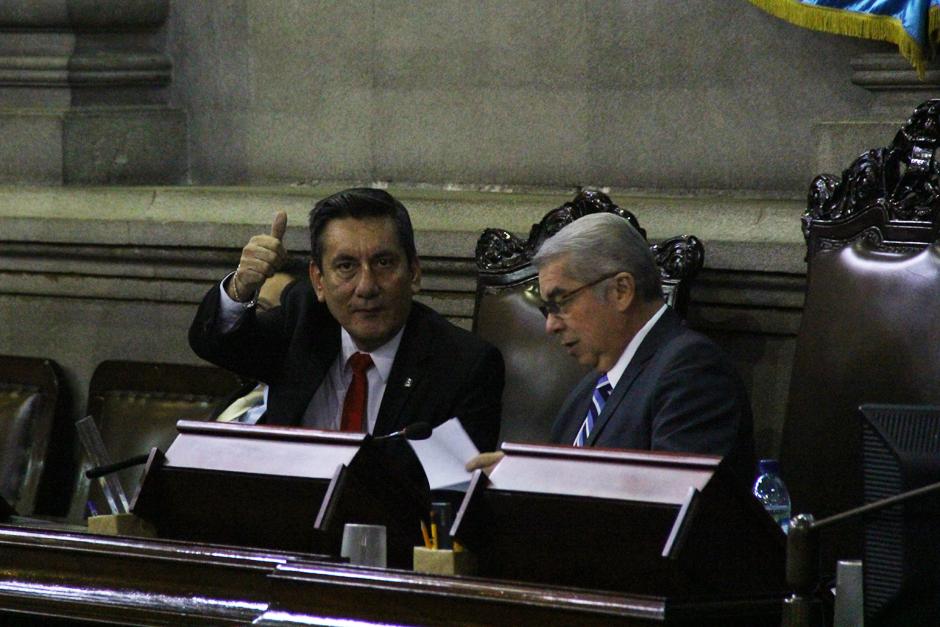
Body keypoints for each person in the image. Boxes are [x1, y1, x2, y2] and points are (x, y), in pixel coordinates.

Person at [190, 188, 504, 451]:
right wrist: (241, 286)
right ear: (318, 281)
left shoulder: (464, 366)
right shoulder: (303, 321)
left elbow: (454, 496)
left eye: (383, 262)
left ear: (415, 273)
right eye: (345, 266)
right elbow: (217, 344)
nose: (367, 287)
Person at [469, 212, 754, 481]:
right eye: (548, 309)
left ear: (621, 291)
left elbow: (668, 501)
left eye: (561, 302)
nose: (551, 325)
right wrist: (519, 475)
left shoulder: (692, 371)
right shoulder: (589, 390)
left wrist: (532, 477)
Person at [211, 257, 310, 424]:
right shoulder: (244, 394)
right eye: (250, 308)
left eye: (261, 309)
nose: (248, 322)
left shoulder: (308, 405)